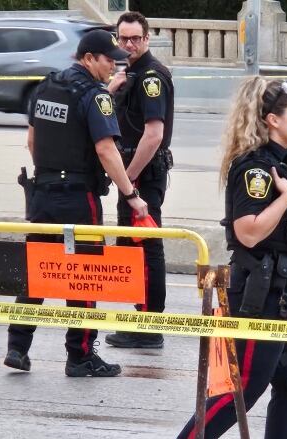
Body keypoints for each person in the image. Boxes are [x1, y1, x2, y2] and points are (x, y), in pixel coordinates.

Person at [177, 77, 287, 438]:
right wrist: (282, 200)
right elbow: (248, 231)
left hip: (283, 296)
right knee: (243, 389)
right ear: (273, 120)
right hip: (256, 297)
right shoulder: (256, 169)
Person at [4, 29, 148, 377]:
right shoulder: (94, 96)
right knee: (83, 278)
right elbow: (106, 150)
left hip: (42, 194)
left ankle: (17, 347)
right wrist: (131, 194)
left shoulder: (47, 86)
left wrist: (50, 172)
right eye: (109, 59)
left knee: (37, 271)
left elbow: (32, 138)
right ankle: (80, 355)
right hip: (78, 198)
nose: (114, 65)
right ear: (88, 59)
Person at [105, 11, 175, 349]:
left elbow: (154, 135)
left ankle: (149, 327)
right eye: (124, 38)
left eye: (135, 38)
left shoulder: (150, 76)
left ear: (146, 39)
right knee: (135, 250)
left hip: (142, 176)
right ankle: (140, 321)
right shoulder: (128, 73)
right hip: (133, 175)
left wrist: (127, 181)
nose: (129, 44)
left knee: (147, 250)